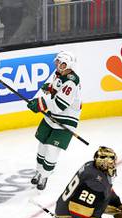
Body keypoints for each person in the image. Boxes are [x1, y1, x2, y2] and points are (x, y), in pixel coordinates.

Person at [27, 51, 81, 190]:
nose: (56, 64)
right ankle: (38, 172)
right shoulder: (58, 75)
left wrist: (40, 104)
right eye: (57, 62)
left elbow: (59, 105)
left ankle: (45, 176)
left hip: (66, 120)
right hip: (52, 116)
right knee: (42, 145)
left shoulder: (72, 81)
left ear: (66, 64)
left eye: (59, 62)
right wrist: (50, 88)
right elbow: (57, 89)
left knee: (52, 149)